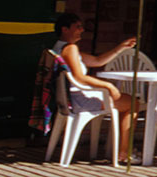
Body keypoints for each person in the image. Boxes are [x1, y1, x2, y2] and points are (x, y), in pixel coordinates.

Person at [53, 12, 138, 164]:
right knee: (132, 103)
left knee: (126, 101)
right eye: (77, 27)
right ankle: (124, 152)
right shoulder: (70, 48)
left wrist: (120, 48)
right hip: (80, 101)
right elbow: (80, 78)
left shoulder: (61, 48)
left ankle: (122, 148)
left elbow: (97, 61)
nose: (81, 30)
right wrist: (108, 85)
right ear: (65, 29)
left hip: (70, 99)